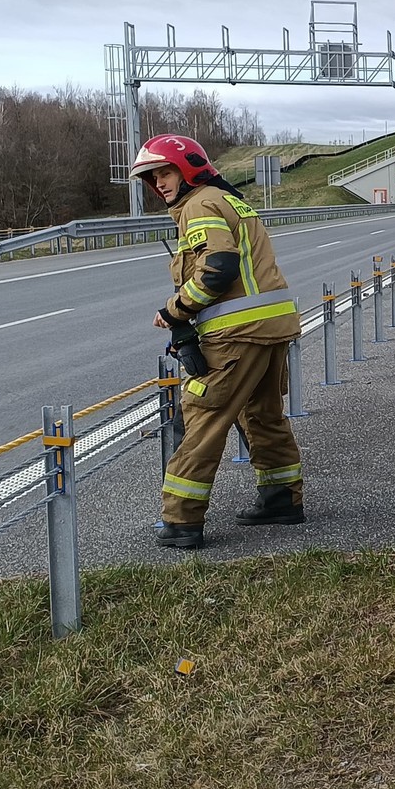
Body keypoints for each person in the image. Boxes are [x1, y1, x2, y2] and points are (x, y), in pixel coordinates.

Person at [132, 134, 307, 550]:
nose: (160, 184)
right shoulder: (228, 199)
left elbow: (218, 267)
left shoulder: (200, 204)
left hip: (237, 335)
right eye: (153, 178)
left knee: (201, 420)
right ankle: (282, 500)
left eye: (165, 172)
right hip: (272, 328)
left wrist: (175, 311)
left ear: (188, 168)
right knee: (263, 415)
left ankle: (181, 521)